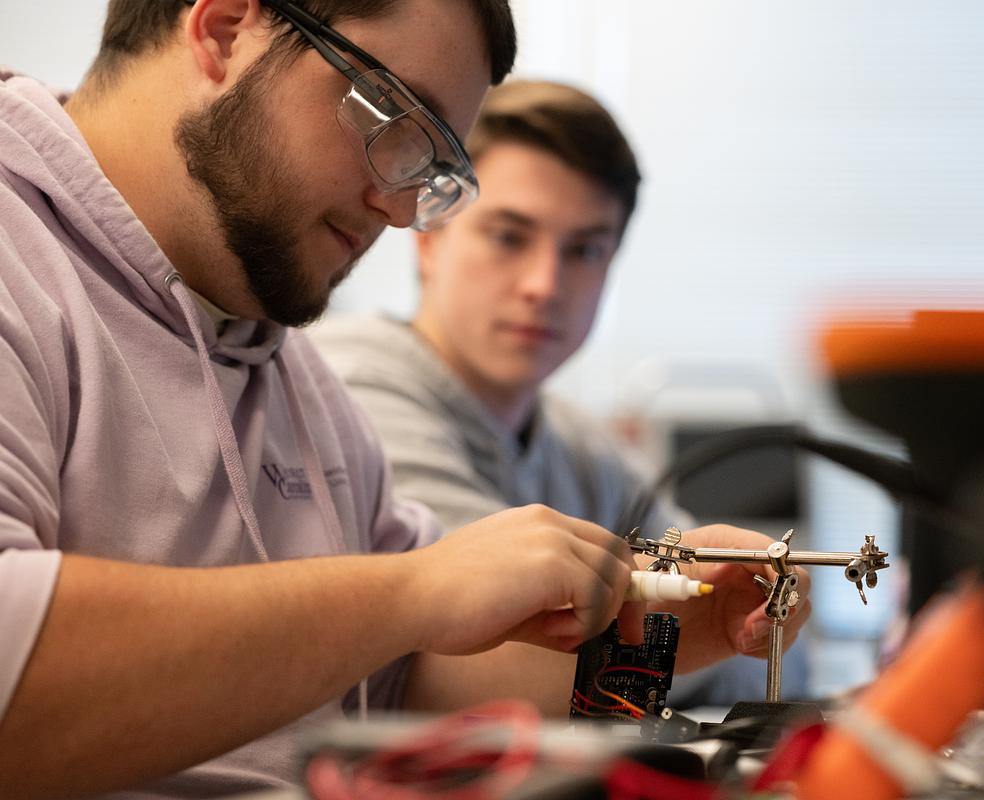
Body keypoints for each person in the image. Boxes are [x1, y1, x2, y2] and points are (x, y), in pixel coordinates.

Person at [0, 2, 809, 798]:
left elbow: (412, 679)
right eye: (387, 112)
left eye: (427, 167)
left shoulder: (298, 385)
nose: (395, 208)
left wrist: (679, 631)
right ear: (224, 29)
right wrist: (414, 591)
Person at [312, 79, 811, 706]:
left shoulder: (585, 454)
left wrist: (739, 626)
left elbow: (758, 648)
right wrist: (690, 643)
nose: (545, 284)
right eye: (509, 236)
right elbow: (486, 660)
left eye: (584, 250)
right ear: (429, 238)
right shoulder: (350, 388)